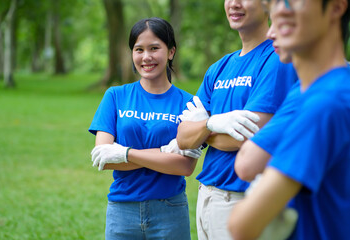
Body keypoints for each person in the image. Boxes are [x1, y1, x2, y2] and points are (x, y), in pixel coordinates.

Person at [228, 0, 350, 239]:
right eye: (273, 2)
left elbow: (242, 225)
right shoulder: (309, 91)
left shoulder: (325, 103)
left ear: (336, 7)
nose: (281, 9)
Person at [176, 0, 297, 239]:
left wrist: (202, 130)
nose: (234, 3)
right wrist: (211, 124)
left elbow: (251, 136)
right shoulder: (218, 68)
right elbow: (183, 138)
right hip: (206, 197)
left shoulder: (277, 58)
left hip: (242, 198)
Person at [88, 17, 202, 240]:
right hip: (122, 211)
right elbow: (104, 158)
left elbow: (185, 166)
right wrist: (165, 152)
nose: (146, 57)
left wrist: (125, 153)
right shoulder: (115, 96)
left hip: (170, 211)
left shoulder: (189, 104)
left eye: (154, 48)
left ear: (171, 52)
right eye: (139, 49)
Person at [234, 23, 300, 182]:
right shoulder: (301, 91)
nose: (271, 33)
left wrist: (205, 128)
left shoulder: (325, 95)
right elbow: (185, 138)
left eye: (286, 20)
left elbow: (247, 163)